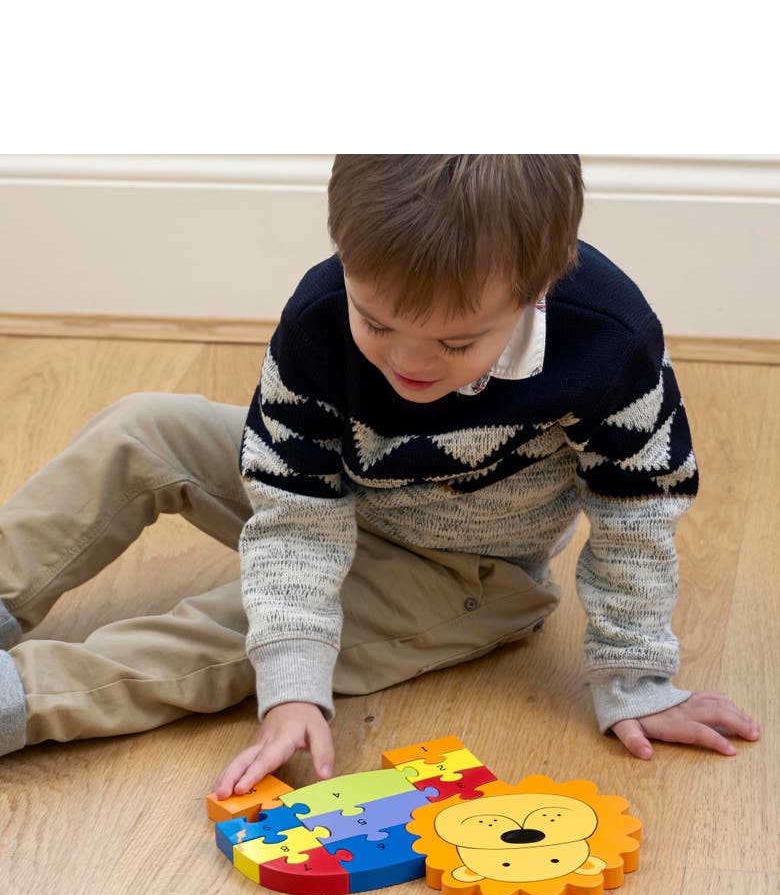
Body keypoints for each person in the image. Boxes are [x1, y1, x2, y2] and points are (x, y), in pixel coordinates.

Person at [0, 156, 760, 794]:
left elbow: (637, 515)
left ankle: (21, 698)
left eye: (456, 342)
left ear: (539, 287)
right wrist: (298, 645)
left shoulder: (609, 338)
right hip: (345, 492)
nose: (408, 363)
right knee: (143, 426)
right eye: (378, 323)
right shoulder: (321, 316)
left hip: (467, 574)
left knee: (228, 624)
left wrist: (635, 678)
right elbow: (294, 509)